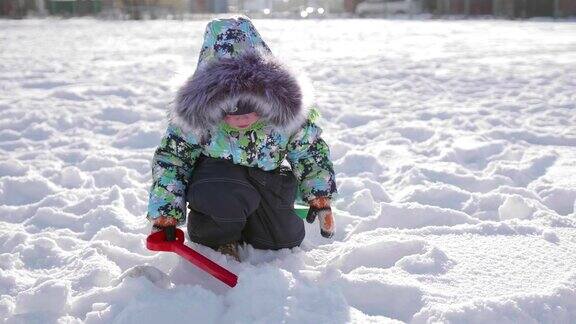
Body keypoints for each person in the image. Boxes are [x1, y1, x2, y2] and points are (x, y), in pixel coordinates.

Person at [146, 16, 337, 261]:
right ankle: (218, 238)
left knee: (283, 238)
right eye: (231, 106)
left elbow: (309, 152)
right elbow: (172, 161)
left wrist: (319, 195)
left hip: (264, 183)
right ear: (212, 99)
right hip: (219, 186)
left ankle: (255, 229)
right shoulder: (197, 120)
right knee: (227, 190)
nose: (242, 116)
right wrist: (166, 213)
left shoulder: (283, 115)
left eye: (251, 104)